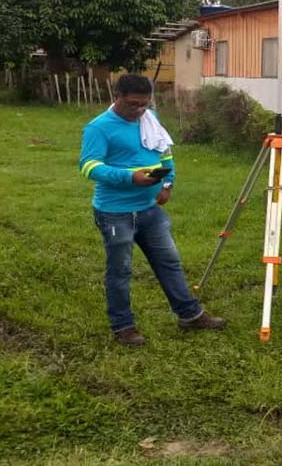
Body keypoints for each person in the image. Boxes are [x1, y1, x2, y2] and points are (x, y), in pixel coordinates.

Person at [79, 74, 225, 346]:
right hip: (115, 212)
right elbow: (89, 166)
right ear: (117, 97)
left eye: (144, 104)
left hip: (149, 210)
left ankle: (190, 315)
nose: (139, 110)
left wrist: (167, 184)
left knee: (169, 262)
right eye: (133, 104)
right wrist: (130, 178)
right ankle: (123, 327)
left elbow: (165, 152)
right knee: (120, 270)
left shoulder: (150, 119)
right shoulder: (98, 128)